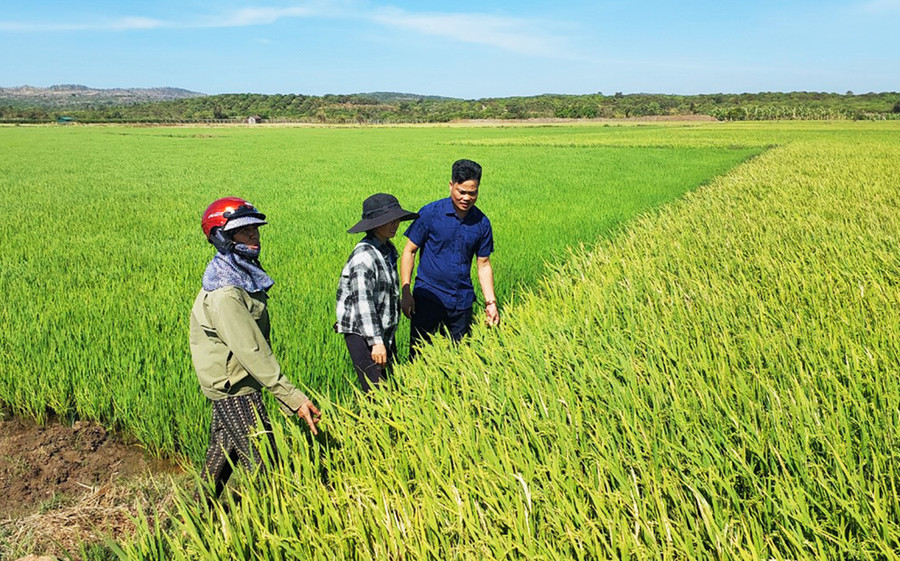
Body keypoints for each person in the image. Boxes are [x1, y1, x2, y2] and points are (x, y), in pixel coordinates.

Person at [190, 196, 321, 498]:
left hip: (229, 380)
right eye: (244, 231)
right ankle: (268, 521)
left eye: (255, 229)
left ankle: (195, 517)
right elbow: (251, 351)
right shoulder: (226, 293)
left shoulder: (236, 273)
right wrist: (293, 397)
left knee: (221, 454)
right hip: (235, 387)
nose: (254, 236)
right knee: (264, 463)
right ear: (223, 237)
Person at [400, 159, 500, 358]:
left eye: (473, 193)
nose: (467, 198)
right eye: (461, 192)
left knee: (460, 357)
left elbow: (484, 265)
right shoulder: (430, 214)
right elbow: (409, 251)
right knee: (419, 356)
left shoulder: (481, 223)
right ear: (451, 186)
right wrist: (406, 291)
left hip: (461, 300)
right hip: (428, 297)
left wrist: (491, 303)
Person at [335, 193, 418, 392]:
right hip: (363, 334)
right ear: (374, 223)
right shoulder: (364, 257)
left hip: (382, 329)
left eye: (396, 219)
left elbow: (385, 292)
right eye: (389, 220)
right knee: (377, 393)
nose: (395, 224)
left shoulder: (387, 249)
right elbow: (363, 303)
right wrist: (376, 342)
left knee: (391, 386)